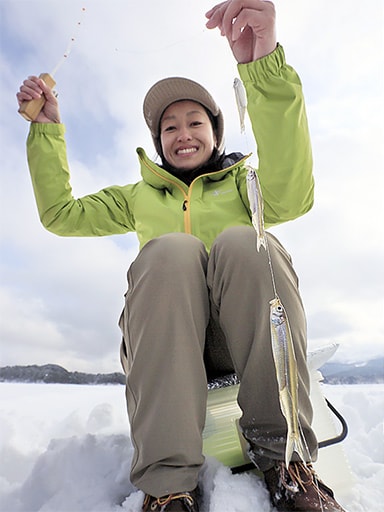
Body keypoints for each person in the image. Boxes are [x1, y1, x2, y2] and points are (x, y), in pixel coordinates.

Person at [16, 1, 345, 511]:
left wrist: (262, 66)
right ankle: (168, 486)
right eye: (170, 127)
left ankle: (288, 465)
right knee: (171, 251)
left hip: (244, 335)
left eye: (195, 122)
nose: (183, 133)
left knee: (242, 239)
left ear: (216, 133)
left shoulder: (244, 184)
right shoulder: (136, 196)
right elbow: (60, 214)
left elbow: (294, 194)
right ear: (158, 142)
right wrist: (46, 130)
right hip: (167, 336)